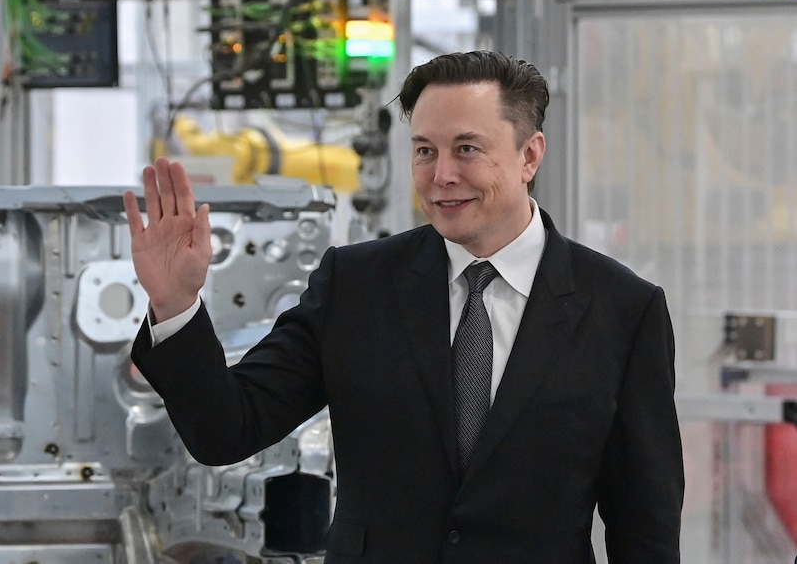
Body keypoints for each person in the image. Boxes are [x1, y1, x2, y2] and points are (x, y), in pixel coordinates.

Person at [124, 50, 684, 563]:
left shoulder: (621, 311)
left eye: (467, 148)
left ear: (529, 155)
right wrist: (175, 302)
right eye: (424, 151)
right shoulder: (355, 286)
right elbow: (227, 429)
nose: (441, 175)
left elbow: (645, 526)